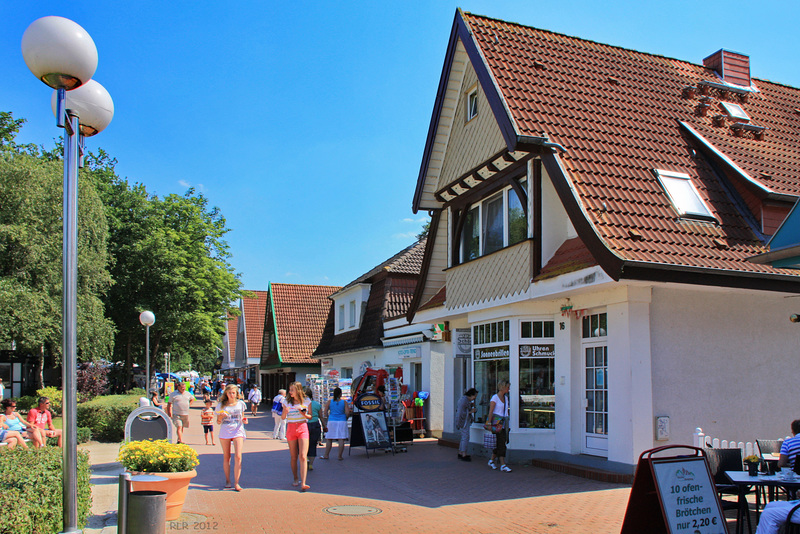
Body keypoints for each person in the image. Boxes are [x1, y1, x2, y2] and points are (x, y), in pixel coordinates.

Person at [216, 384, 247, 491]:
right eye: (229, 393)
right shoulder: (221, 405)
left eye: (233, 393)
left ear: (236, 393)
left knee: (238, 456)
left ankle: (237, 482)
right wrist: (221, 416)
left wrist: (244, 420)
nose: (231, 395)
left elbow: (242, 417)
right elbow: (218, 422)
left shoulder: (241, 404)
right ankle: (228, 480)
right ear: (226, 393)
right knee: (227, 456)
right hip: (225, 431)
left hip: (238, 430)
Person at [281, 382, 312, 491]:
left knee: (303, 455)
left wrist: (304, 414)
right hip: (291, 427)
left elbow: (310, 416)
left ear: (298, 390)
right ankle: (295, 478)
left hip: (302, 426)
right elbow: (283, 418)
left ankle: (303, 482)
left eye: (292, 390)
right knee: (293, 456)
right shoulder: (286, 402)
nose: (290, 392)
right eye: (289, 390)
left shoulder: (307, 401)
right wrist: (285, 411)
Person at [488, 380, 512, 472]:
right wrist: (489, 423)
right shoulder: (495, 398)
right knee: (501, 443)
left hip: (503, 423)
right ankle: (503, 464)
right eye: (507, 387)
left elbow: (506, 411)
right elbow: (491, 411)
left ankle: (491, 460)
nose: (508, 389)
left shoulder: (505, 398)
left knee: (500, 442)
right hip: (496, 423)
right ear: (503, 387)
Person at [321, 387, 350, 461]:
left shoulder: (329, 402)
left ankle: (326, 455)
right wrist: (345, 418)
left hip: (332, 420)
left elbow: (325, 412)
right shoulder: (344, 402)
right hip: (342, 420)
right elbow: (347, 412)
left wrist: (328, 418)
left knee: (329, 438)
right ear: (340, 394)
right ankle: (340, 456)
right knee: (341, 439)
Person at [455, 388, 478, 461]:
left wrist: (470, 405)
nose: (474, 398)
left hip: (462, 421)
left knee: (463, 437)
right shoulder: (464, 401)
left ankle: (460, 452)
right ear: (471, 395)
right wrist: (471, 411)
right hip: (464, 422)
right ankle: (463, 454)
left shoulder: (464, 400)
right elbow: (462, 412)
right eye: (474, 396)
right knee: (465, 436)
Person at [304, 387, 323, 471]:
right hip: (315, 424)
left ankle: (306, 459)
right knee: (313, 444)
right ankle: (311, 463)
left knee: (303, 444)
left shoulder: (301, 404)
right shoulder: (317, 404)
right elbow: (321, 416)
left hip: (305, 425)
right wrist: (324, 426)